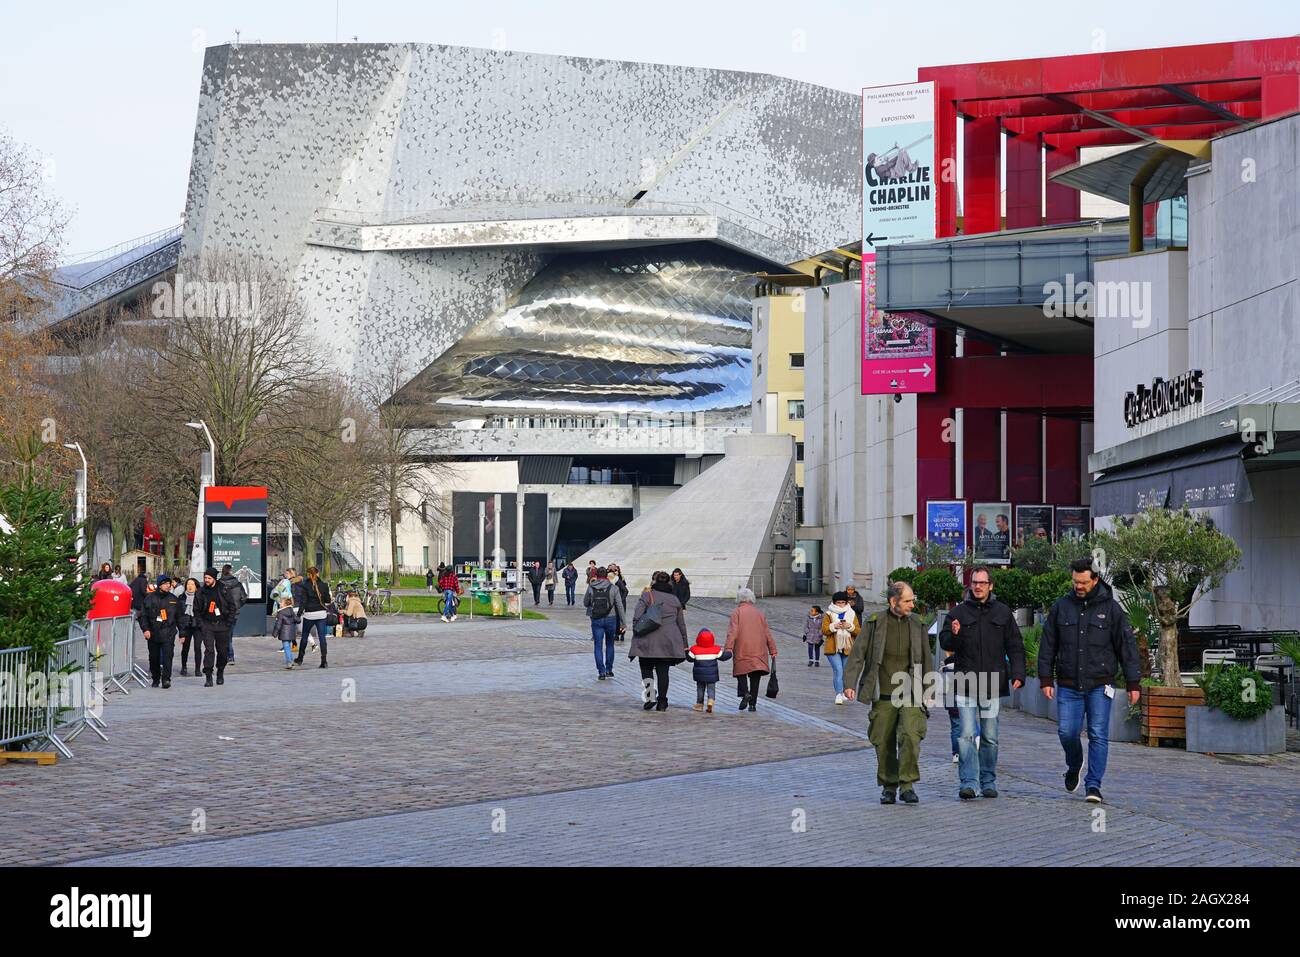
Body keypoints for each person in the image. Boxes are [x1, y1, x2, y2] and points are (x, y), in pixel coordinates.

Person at [1039, 558, 1142, 804]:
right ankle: (1074, 764)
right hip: (1068, 684)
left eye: (1084, 582)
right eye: (1075, 581)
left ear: (1095, 580)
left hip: (1100, 684)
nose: (1079, 586)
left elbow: (1126, 646)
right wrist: (1045, 678)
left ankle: (1093, 785)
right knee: (1067, 732)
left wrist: (1133, 683)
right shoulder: (1061, 607)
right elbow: (1048, 644)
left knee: (1098, 734)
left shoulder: (1112, 609)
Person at [939, 565, 1026, 800]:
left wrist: (1018, 673)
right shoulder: (957, 613)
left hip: (992, 684)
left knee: (990, 736)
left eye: (982, 583)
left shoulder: (1003, 612)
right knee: (966, 734)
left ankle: (988, 780)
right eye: (975, 582)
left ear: (990, 586)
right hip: (965, 683)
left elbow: (1015, 645)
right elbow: (944, 642)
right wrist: (954, 634)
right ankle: (968, 782)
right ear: (970, 585)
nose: (978, 586)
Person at [843, 581, 933, 805]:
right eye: (908, 601)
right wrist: (850, 683)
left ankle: (907, 785)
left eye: (913, 600)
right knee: (883, 740)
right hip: (883, 693)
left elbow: (927, 658)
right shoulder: (876, 623)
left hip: (911, 692)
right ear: (893, 602)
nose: (913, 604)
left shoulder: (917, 624)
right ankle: (889, 786)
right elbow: (857, 654)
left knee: (911, 736)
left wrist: (930, 689)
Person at [630, 570, 688, 711]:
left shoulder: (647, 595)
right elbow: (681, 624)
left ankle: (650, 696)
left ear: (655, 582)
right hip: (668, 641)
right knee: (663, 672)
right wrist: (685, 643)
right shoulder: (674, 600)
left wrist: (636, 630)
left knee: (646, 668)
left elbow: (637, 615)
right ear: (669, 583)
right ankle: (662, 702)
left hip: (647, 639)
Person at [723, 588, 778, 712]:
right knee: (755, 677)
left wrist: (728, 648)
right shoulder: (759, 613)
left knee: (740, 672)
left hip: (742, 647)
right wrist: (772, 649)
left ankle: (745, 693)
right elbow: (767, 633)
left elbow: (733, 632)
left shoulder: (737, 612)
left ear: (739, 598)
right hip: (759, 648)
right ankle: (753, 704)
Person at [196, 567, 238, 687]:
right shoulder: (201, 591)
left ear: (214, 578)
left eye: (209, 578)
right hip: (207, 624)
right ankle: (208, 675)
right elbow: (196, 609)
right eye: (205, 578)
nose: (206, 580)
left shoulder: (223, 589)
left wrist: (228, 623)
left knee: (222, 651)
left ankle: (220, 671)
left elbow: (232, 606)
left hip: (222, 625)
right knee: (209, 650)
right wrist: (201, 624)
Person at [138, 575, 181, 688]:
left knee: (168, 656)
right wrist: (145, 629)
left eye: (169, 583)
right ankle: (156, 678)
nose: (168, 586)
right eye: (165, 584)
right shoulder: (149, 598)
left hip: (168, 632)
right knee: (154, 657)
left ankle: (166, 679)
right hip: (153, 633)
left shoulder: (173, 599)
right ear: (160, 585)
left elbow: (180, 617)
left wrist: (183, 633)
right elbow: (143, 616)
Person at [584, 566, 625, 681]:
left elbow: (585, 602)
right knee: (610, 644)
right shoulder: (613, 588)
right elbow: (619, 606)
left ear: (596, 575)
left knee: (598, 646)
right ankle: (609, 670)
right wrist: (623, 623)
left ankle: (601, 672)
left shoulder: (591, 587)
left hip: (596, 619)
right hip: (611, 619)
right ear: (607, 576)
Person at [822, 592, 859, 704]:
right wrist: (834, 626)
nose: (841, 605)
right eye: (838, 603)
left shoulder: (852, 613)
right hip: (833, 648)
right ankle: (838, 694)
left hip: (847, 647)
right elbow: (824, 630)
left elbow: (858, 631)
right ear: (834, 603)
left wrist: (850, 626)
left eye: (843, 602)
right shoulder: (829, 614)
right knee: (838, 670)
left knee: (845, 672)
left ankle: (843, 693)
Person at [685, 628, 731, 713]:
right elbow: (724, 657)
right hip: (712, 675)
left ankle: (699, 704)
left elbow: (690, 659)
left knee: (700, 688)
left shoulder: (694, 649)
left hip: (699, 675)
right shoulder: (716, 649)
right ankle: (710, 700)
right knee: (711, 688)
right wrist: (730, 653)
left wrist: (686, 652)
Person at [296, 566, 332, 669]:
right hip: (321, 614)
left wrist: (298, 614)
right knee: (322, 637)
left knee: (304, 636)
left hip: (309, 614)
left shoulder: (305, 585)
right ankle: (324, 661)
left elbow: (303, 602)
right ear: (318, 573)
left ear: (308, 574)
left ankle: (300, 658)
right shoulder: (324, 585)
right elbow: (328, 600)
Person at [218, 564, 248, 664]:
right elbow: (244, 598)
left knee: (221, 636)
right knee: (229, 635)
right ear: (230, 571)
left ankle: (225, 656)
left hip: (221, 614)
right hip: (234, 613)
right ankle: (230, 657)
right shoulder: (238, 584)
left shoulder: (219, 584)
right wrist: (237, 606)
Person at [177, 577, 201, 677]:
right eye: (188, 584)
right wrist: (181, 632)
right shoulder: (181, 598)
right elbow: (179, 616)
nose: (190, 586)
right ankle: (184, 667)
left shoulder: (200, 597)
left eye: (192, 584)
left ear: (196, 587)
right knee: (185, 648)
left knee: (197, 648)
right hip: (186, 626)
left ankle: (198, 669)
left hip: (197, 626)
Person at [274, 596, 298, 669]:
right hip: (291, 632)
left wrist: (275, 632)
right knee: (288, 647)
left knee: (286, 647)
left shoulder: (280, 612)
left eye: (281, 602)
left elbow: (278, 624)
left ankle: (289, 662)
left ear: (284, 604)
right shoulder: (292, 611)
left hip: (284, 632)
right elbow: (298, 620)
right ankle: (291, 661)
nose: (280, 603)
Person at [608, 564, 629, 641]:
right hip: (614, 603)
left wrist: (621, 599)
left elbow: (626, 590)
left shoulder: (618, 580)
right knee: (615, 619)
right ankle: (616, 634)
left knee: (621, 619)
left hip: (621, 603)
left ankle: (622, 634)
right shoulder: (610, 581)